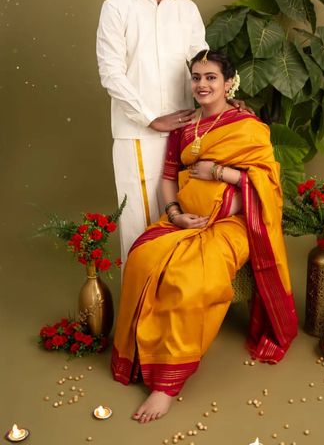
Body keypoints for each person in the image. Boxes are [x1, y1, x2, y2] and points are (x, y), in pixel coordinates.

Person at [111, 49, 298, 423]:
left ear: (229, 83)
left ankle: (166, 384)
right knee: (141, 258)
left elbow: (267, 185)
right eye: (197, 77)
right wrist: (176, 215)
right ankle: (137, 354)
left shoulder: (246, 125)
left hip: (233, 225)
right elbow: (168, 180)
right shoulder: (184, 127)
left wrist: (220, 174)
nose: (202, 84)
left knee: (189, 278)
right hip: (186, 220)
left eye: (211, 77)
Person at [96, 0, 208, 267]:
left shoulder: (186, 9)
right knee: (140, 229)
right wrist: (150, 119)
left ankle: (172, 313)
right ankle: (139, 314)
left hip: (185, 133)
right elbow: (111, 73)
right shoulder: (117, 7)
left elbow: (203, 62)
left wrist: (227, 94)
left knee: (179, 222)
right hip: (136, 135)